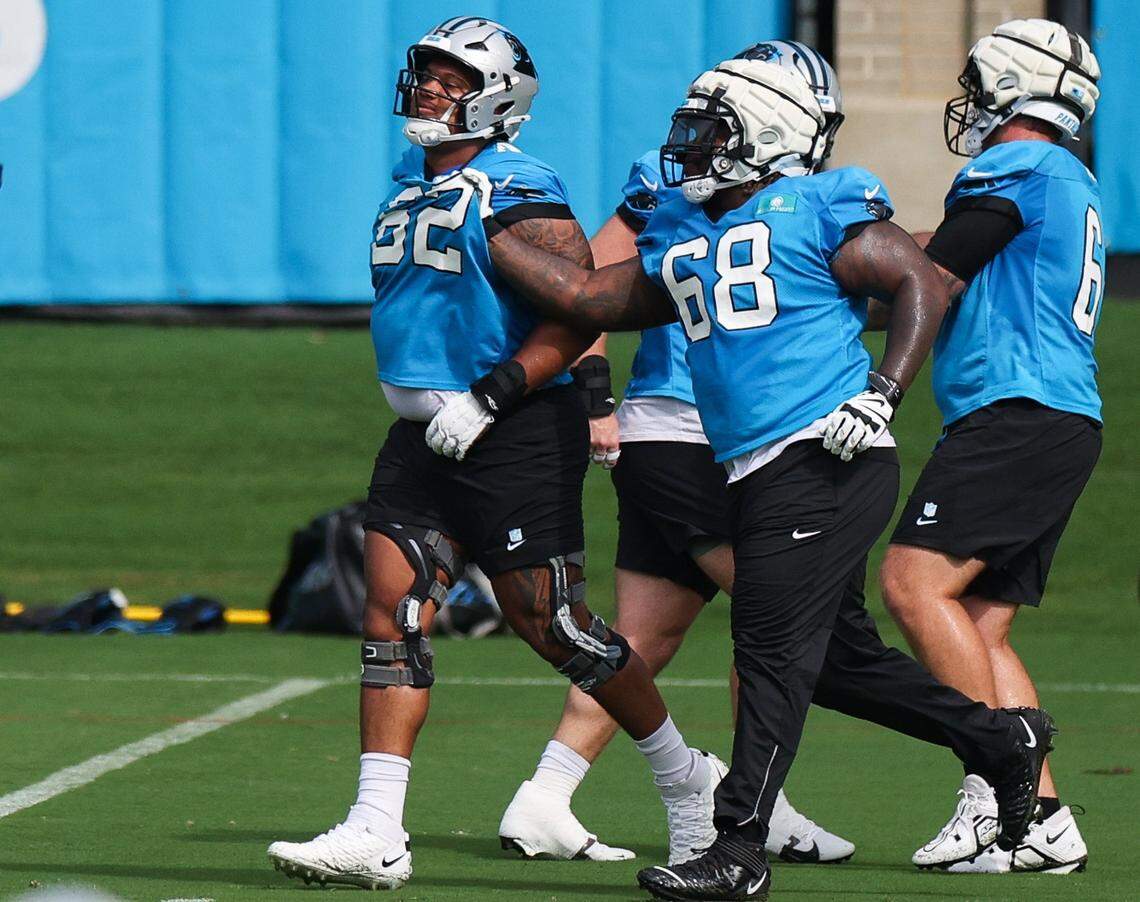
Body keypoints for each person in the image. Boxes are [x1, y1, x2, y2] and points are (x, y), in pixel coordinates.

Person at [459, 55, 1057, 900]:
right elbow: (590, 298)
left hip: (828, 452)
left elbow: (917, 280)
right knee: (836, 663)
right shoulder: (686, 230)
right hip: (752, 466)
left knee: (768, 650)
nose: (688, 144)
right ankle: (1002, 740)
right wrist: (482, 226)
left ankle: (738, 845)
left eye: (710, 130)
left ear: (767, 136)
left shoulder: (818, 202)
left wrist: (884, 391)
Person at [266, 17, 720, 891]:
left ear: (498, 99)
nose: (430, 89)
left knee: (557, 627)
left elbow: (580, 309)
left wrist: (492, 395)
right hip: (420, 438)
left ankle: (684, 777)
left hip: (514, 430)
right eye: (426, 73)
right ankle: (377, 826)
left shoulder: (517, 185)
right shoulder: (411, 184)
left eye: (453, 79)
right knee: (391, 618)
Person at [498, 40, 854, 868]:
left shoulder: (778, 192)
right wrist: (595, 394)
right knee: (788, 623)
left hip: (692, 431)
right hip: (701, 431)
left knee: (644, 638)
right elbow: (595, 273)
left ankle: (545, 796)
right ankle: (762, 804)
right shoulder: (706, 183)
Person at [876, 18, 1103, 875]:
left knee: (912, 583)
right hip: (1058, 416)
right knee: (979, 626)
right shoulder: (1067, 176)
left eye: (980, 84)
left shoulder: (1018, 164)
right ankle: (1041, 821)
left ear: (1014, 86)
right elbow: (947, 259)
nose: (968, 101)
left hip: (1016, 409)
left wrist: (836, 269)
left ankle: (990, 785)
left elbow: (936, 275)